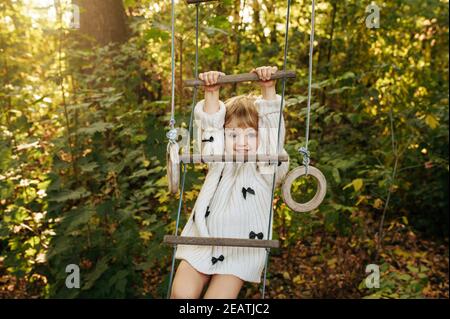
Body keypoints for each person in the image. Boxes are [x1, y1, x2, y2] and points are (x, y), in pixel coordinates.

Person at [171, 66, 290, 299]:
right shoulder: (219, 159)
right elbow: (211, 132)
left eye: (251, 134)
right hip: (203, 239)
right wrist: (212, 93)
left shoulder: (266, 165)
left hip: (240, 250)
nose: (242, 142)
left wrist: (268, 89)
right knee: (180, 294)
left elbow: (272, 134)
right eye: (233, 134)